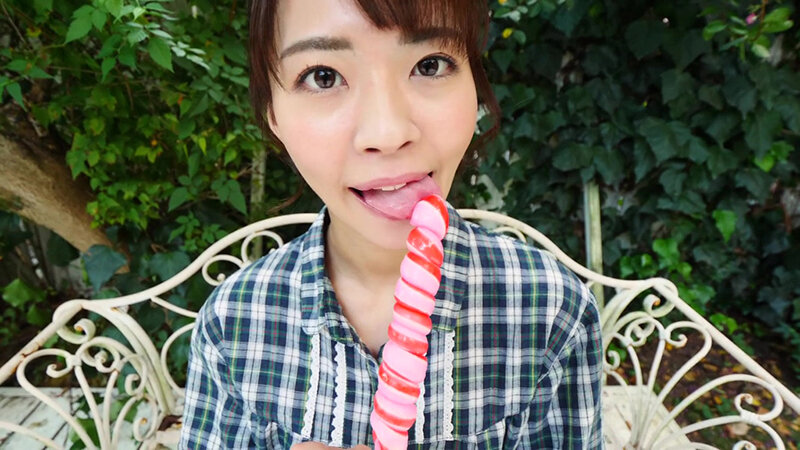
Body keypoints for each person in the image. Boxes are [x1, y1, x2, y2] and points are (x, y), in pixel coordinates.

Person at [180, 0, 604, 448]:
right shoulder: (233, 322)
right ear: (272, 115)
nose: (387, 133)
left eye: (430, 65)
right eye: (323, 76)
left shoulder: (551, 312)